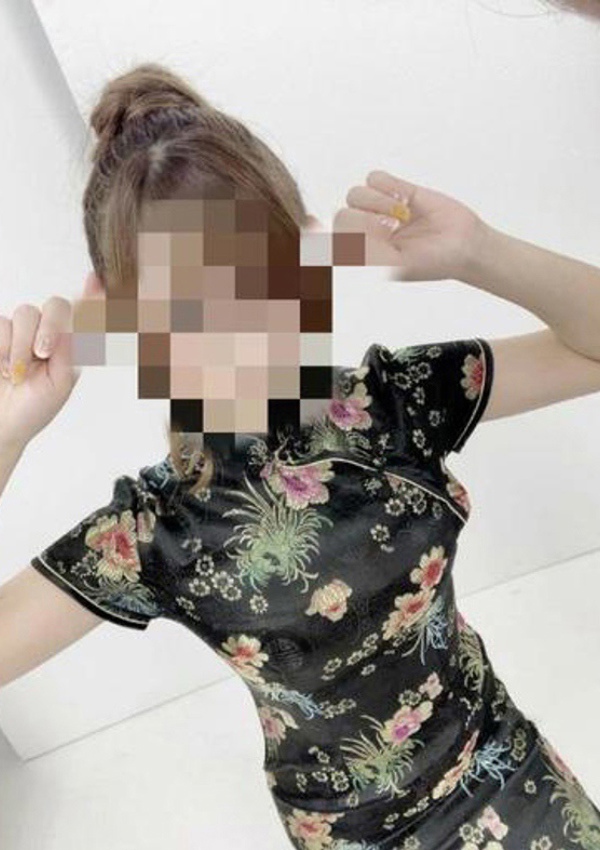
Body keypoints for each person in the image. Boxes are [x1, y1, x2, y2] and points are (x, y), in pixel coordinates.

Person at [1, 62, 600, 850]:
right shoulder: (155, 533)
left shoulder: (396, 403)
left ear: (308, 248)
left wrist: (477, 250)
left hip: (499, 767)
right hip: (354, 837)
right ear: (120, 313)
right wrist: (9, 434)